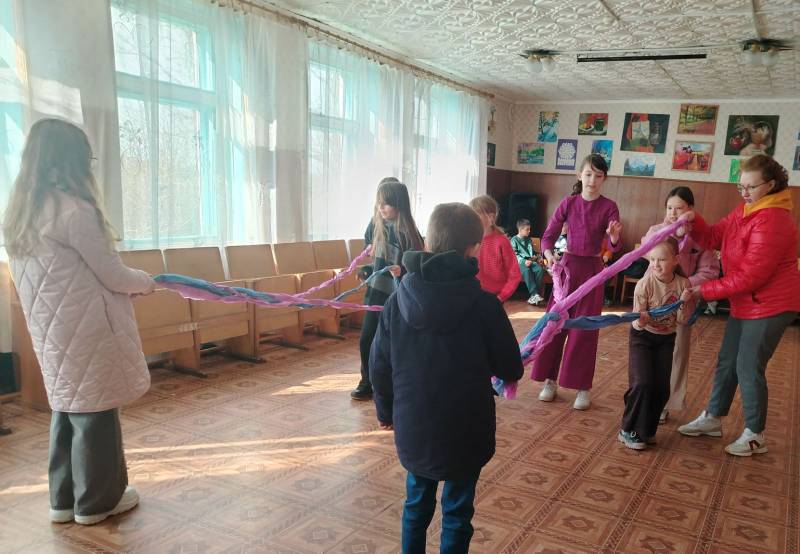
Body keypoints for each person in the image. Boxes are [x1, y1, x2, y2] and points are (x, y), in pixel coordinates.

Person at [2, 118, 156, 524]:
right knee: (97, 410)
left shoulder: (20, 214)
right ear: (72, 162)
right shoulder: (75, 211)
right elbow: (113, 275)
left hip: (51, 332)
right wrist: (146, 282)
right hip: (89, 329)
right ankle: (98, 502)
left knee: (67, 407)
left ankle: (63, 500)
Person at [369, 202, 523, 554]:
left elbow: (379, 366)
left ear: (428, 241)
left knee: (416, 506)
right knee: (456, 512)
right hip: (465, 429)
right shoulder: (484, 305)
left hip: (414, 424)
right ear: (473, 249)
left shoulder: (397, 301)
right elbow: (510, 367)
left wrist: (385, 411)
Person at [677, 154, 800, 456]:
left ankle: (755, 434)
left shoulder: (774, 219)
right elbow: (712, 236)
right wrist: (693, 221)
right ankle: (713, 418)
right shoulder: (746, 209)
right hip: (747, 300)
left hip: (770, 304)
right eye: (740, 186)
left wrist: (703, 290)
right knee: (728, 360)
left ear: (771, 185)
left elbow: (750, 277)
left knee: (748, 365)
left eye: (751, 187)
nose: (744, 193)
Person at [532, 154, 622, 410]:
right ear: (579, 175)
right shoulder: (568, 203)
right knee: (555, 324)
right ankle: (549, 381)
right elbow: (548, 237)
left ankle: (583, 387)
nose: (592, 180)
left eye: (598, 175)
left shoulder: (609, 206)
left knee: (585, 329)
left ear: (604, 178)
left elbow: (615, 246)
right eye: (588, 174)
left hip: (593, 272)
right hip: (568, 271)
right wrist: (549, 256)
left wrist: (614, 238)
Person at [641, 187, 719, 423]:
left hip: (682, 304)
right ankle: (645, 397)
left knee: (676, 355)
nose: (673, 213)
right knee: (645, 351)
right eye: (669, 208)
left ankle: (665, 403)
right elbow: (647, 253)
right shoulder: (656, 231)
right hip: (652, 302)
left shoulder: (701, 238)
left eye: (679, 208)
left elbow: (710, 272)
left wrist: (683, 287)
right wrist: (671, 235)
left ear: (690, 210)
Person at [619, 238, 696, 450]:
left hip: (666, 340)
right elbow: (636, 322)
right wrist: (641, 321)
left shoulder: (683, 284)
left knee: (662, 388)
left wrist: (684, 302)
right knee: (642, 383)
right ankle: (628, 429)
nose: (655, 264)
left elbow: (682, 321)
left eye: (661, 259)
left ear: (675, 260)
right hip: (642, 337)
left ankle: (646, 430)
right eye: (652, 259)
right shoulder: (645, 284)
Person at [351, 179, 424, 401]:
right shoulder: (377, 226)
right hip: (376, 292)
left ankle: (393, 383)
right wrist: (367, 269)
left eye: (386, 203)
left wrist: (402, 270)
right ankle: (366, 381)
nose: (381, 208)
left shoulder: (409, 233)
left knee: (393, 342)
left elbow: (418, 267)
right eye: (379, 203)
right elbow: (374, 257)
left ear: (398, 204)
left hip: (398, 297)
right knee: (367, 339)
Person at [468, 195, 521, 303]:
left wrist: (501, 297)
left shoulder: (502, 241)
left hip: (495, 298)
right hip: (472, 296)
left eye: (475, 215)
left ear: (491, 218)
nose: (471, 220)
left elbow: (514, 274)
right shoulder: (469, 241)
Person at [510, 218, 545, 305]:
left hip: (530, 261)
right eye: (527, 229)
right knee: (526, 270)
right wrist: (524, 261)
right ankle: (534, 294)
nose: (529, 231)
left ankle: (534, 296)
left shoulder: (528, 239)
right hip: (519, 262)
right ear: (520, 229)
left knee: (539, 269)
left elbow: (532, 252)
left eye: (529, 229)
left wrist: (539, 257)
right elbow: (514, 255)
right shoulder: (514, 240)